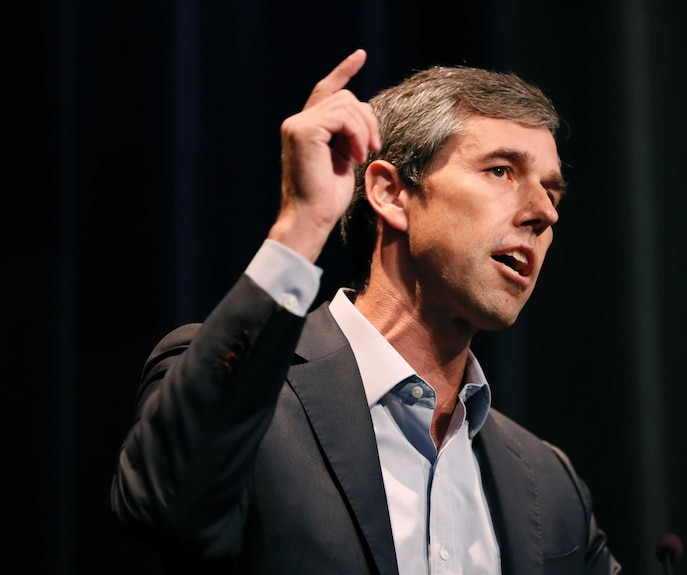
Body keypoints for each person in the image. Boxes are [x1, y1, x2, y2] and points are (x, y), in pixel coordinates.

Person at [111, 48, 622, 575]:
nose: (544, 212)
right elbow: (163, 501)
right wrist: (302, 224)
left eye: (551, 191)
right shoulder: (245, 391)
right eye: (501, 171)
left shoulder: (549, 483)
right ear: (390, 192)